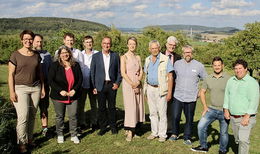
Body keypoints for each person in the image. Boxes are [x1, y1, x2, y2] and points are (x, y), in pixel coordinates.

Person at [8, 30, 45, 153]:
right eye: (26, 39)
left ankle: (30, 139)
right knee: (23, 116)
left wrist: (43, 87)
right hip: (20, 89)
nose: (28, 41)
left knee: (32, 116)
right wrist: (11, 92)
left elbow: (40, 72)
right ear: (21, 40)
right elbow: (10, 74)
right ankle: (22, 143)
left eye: (30, 39)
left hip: (35, 88)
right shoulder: (15, 55)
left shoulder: (36, 55)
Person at [191, 57, 230, 154]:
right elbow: (202, 92)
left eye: (219, 65)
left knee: (223, 133)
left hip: (224, 110)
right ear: (212, 66)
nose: (217, 67)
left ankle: (222, 150)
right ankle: (204, 147)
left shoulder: (229, 79)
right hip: (211, 109)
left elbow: (233, 94)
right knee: (200, 126)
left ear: (222, 66)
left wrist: (228, 109)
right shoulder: (208, 78)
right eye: (215, 65)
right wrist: (205, 107)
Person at [170, 45, 207, 145]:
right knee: (176, 116)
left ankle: (187, 137)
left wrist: (201, 92)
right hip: (178, 95)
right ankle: (174, 133)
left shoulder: (199, 66)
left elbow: (206, 80)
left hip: (191, 97)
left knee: (189, 118)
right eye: (186, 52)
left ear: (192, 53)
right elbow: (171, 77)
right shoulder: (177, 64)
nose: (188, 54)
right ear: (183, 54)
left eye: (189, 52)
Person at [223, 59, 259, 154]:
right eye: (236, 68)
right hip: (233, 117)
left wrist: (247, 116)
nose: (238, 70)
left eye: (240, 68)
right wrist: (226, 109)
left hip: (246, 117)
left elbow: (254, 101)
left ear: (246, 69)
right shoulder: (231, 80)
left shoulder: (252, 83)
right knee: (238, 140)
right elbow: (227, 95)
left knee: (243, 140)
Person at [48, 45, 83, 144]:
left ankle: (74, 134)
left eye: (66, 52)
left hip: (73, 95)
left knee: (73, 115)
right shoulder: (55, 65)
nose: (65, 54)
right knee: (60, 116)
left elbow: (80, 79)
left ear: (70, 54)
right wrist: (60, 90)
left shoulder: (75, 65)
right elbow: (50, 80)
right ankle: (60, 134)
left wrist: (75, 90)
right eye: (62, 53)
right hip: (59, 96)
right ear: (59, 55)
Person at [90, 36, 122, 136]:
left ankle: (113, 127)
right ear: (101, 44)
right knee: (101, 108)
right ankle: (103, 127)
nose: (106, 45)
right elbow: (92, 72)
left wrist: (117, 83)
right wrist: (94, 86)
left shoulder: (115, 56)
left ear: (110, 44)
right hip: (100, 85)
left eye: (108, 43)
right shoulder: (96, 56)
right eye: (104, 43)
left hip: (111, 85)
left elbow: (119, 72)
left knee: (112, 107)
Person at [144, 40, 173, 142]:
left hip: (161, 89)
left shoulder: (165, 59)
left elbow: (170, 76)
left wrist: (169, 92)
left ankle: (162, 134)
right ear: (149, 49)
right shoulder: (147, 59)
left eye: (156, 48)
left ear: (159, 48)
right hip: (150, 88)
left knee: (162, 113)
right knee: (152, 113)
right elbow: (145, 76)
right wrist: (145, 91)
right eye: (152, 48)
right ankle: (154, 132)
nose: (154, 50)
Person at [121, 37, 145, 141]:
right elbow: (123, 73)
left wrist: (138, 82)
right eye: (130, 44)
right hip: (128, 84)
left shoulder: (138, 57)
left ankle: (137, 128)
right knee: (130, 107)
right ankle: (130, 131)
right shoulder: (124, 57)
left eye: (134, 44)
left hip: (138, 83)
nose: (132, 46)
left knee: (138, 106)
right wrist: (132, 84)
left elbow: (141, 71)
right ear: (127, 45)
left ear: (136, 45)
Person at [77, 35, 99, 133]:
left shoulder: (97, 54)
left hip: (93, 84)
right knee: (81, 105)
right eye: (87, 42)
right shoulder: (80, 54)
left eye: (90, 42)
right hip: (82, 83)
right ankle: (82, 123)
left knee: (94, 104)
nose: (89, 44)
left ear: (92, 43)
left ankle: (94, 122)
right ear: (83, 44)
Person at [33, 34, 52, 137]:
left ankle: (45, 129)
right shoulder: (30, 54)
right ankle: (29, 131)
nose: (39, 43)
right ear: (33, 42)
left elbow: (51, 70)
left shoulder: (47, 54)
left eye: (41, 41)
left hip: (45, 84)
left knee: (44, 108)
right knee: (32, 109)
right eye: (37, 41)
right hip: (33, 85)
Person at [162, 36, 181, 135]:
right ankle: (161, 128)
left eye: (174, 45)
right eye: (170, 45)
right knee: (161, 108)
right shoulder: (159, 55)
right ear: (166, 44)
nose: (172, 47)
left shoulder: (178, 57)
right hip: (161, 86)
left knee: (171, 110)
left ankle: (169, 128)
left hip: (174, 87)